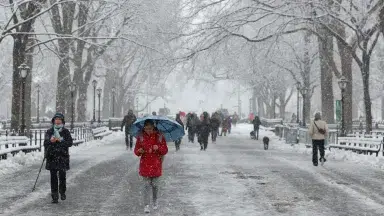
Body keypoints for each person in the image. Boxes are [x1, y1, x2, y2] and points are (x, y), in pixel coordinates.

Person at [134, 120, 168, 213]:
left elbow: (165, 150)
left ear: (153, 127)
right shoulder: (140, 137)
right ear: (144, 128)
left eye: (150, 128)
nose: (148, 130)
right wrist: (139, 151)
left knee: (155, 186)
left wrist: (159, 148)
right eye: (146, 128)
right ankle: (146, 205)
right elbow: (136, 151)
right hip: (145, 165)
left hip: (156, 165)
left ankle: (155, 201)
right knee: (145, 186)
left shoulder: (160, 136)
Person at [44, 113, 73, 203]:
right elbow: (45, 143)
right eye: (56, 119)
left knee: (62, 176)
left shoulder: (65, 132)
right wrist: (51, 141)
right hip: (52, 157)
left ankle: (62, 191)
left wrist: (61, 140)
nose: (57, 121)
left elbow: (70, 143)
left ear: (62, 121)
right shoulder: (49, 131)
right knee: (53, 177)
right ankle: (54, 195)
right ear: (53, 121)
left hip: (62, 157)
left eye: (59, 119)